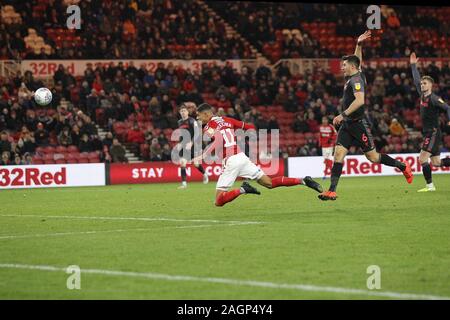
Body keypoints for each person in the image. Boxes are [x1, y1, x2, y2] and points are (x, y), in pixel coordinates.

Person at [319, 31, 413, 201]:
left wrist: (342, 114)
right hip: (347, 125)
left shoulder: (356, 81)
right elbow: (357, 60)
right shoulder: (356, 73)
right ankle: (332, 190)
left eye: (344, 65)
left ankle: (401, 165)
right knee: (338, 155)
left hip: (358, 123)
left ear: (352, 67)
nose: (342, 67)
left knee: (373, 157)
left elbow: (360, 100)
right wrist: (359, 44)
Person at [194, 103, 322, 207]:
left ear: (206, 114)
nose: (198, 119)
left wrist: (202, 156)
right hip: (242, 157)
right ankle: (303, 180)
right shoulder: (228, 120)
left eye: (199, 116)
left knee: (218, 201)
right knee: (269, 183)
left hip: (231, 161)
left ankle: (243, 189)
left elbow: (218, 140)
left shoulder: (208, 127)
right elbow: (250, 127)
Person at [410, 52, 450, 192]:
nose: (421, 84)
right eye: (422, 83)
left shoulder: (434, 98)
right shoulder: (422, 96)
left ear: (431, 85)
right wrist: (413, 65)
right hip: (429, 132)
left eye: (424, 83)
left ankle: (430, 186)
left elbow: (447, 108)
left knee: (422, 159)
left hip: (432, 133)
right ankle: (430, 185)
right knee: (437, 162)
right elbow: (415, 79)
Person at [176, 103, 208, 189]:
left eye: (184, 111)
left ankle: (205, 174)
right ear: (180, 112)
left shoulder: (192, 121)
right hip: (183, 146)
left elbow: (197, 133)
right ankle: (184, 184)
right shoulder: (179, 122)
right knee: (182, 163)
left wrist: (191, 142)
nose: (183, 112)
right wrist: (179, 143)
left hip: (193, 145)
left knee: (196, 164)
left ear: (187, 112)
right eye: (181, 111)